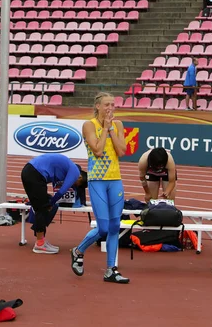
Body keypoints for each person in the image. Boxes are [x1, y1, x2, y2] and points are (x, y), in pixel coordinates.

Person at [70, 92, 129, 284]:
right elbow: (98, 150)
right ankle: (78, 251)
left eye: (113, 104)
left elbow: (121, 151)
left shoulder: (118, 124)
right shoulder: (89, 125)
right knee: (103, 227)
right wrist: (104, 128)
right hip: (97, 180)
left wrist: (111, 128)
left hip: (115, 179)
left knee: (114, 226)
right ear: (97, 106)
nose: (110, 108)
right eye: (106, 105)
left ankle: (111, 269)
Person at [21, 154, 87, 254]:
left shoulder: (67, 168)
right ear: (80, 177)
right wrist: (51, 203)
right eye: (77, 185)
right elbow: (62, 191)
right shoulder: (75, 172)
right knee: (43, 208)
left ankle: (41, 238)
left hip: (31, 171)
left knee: (44, 203)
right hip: (35, 173)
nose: (74, 185)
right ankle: (39, 244)